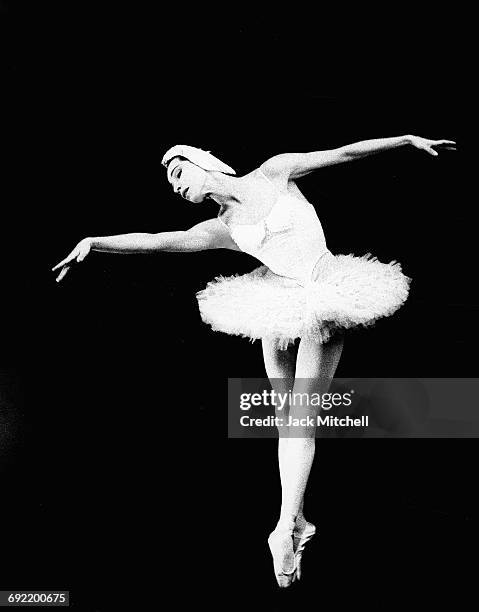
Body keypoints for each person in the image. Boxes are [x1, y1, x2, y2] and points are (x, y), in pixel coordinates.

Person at [52, 135, 456, 587]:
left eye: (178, 173)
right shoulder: (219, 229)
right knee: (289, 420)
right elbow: (160, 241)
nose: (176, 187)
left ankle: (285, 527)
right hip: (276, 305)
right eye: (171, 183)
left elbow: (340, 154)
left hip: (325, 292)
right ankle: (293, 521)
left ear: (204, 163)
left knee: (301, 419)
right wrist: (95, 242)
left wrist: (404, 140)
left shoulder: (274, 171)